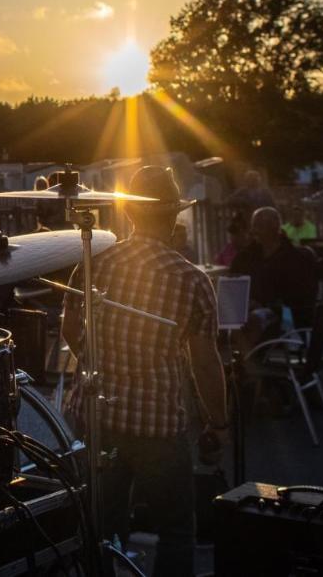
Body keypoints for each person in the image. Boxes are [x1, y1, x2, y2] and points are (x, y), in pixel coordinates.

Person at [61, 166, 226, 577]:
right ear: (173, 216)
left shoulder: (94, 262)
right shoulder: (192, 279)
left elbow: (68, 328)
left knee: (104, 529)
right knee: (174, 530)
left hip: (98, 421)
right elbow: (205, 362)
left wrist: (95, 363)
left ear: (131, 215)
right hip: (160, 428)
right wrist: (219, 423)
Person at [231, 207, 320, 331]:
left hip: (286, 317)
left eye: (259, 226)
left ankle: (248, 349)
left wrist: (264, 305)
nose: (253, 231)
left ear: (275, 228)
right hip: (249, 311)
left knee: (253, 319)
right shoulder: (247, 256)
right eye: (253, 226)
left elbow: (300, 299)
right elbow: (232, 282)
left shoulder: (296, 258)